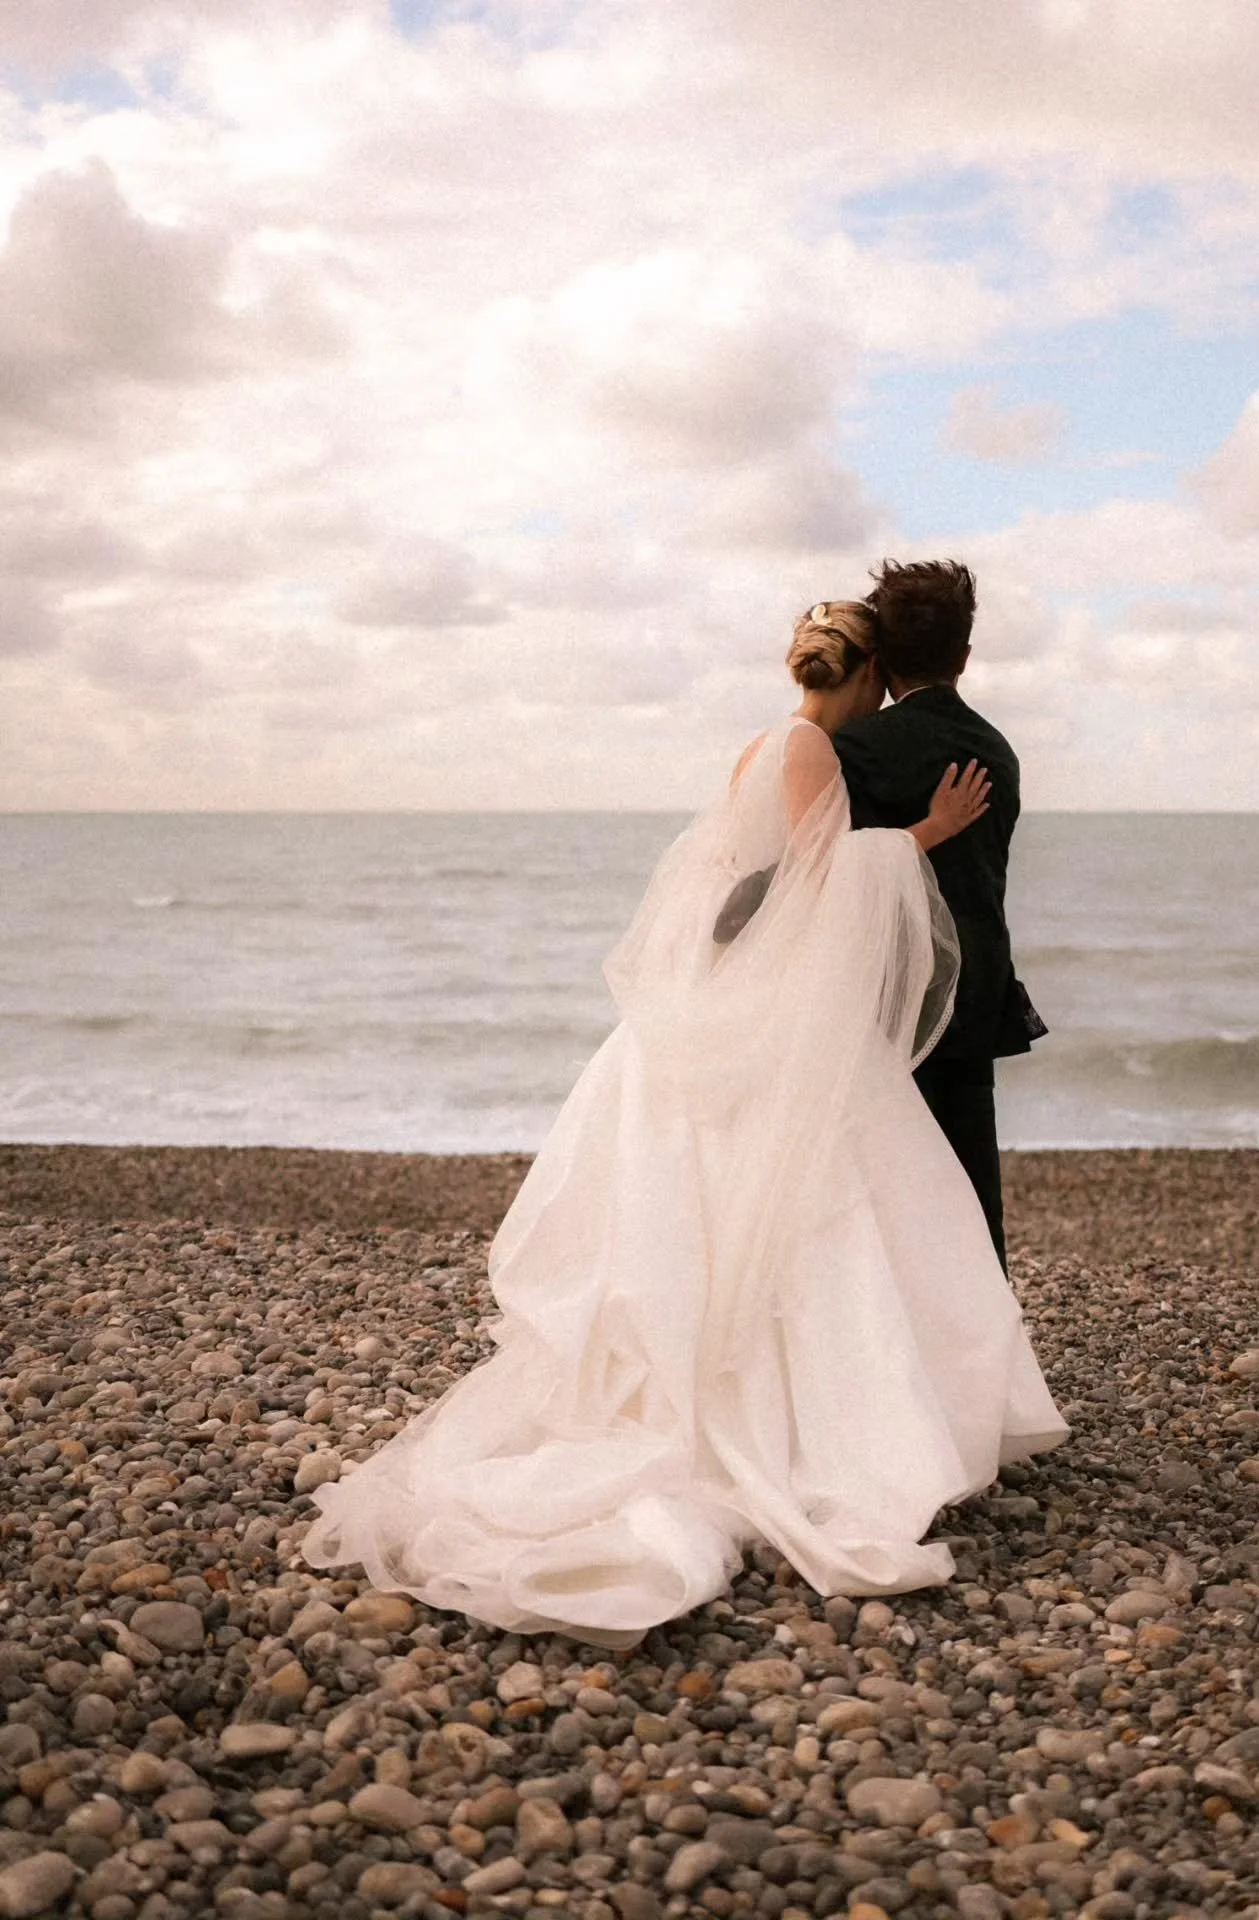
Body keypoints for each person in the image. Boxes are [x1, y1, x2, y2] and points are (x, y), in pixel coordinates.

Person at [302, 599, 1069, 1648]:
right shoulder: (806, 745)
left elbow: (737, 885)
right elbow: (815, 872)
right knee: (811, 1206)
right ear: (869, 670)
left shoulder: (769, 738)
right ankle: (813, 1416)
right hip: (771, 1012)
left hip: (738, 999)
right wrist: (927, 836)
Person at [835, 560, 1046, 1270]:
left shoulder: (855, 748)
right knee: (968, 1183)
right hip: (976, 987)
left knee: (874, 1182)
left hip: (880, 991)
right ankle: (984, 1343)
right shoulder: (997, 751)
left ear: (881, 658)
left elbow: (834, 872)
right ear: (964, 655)